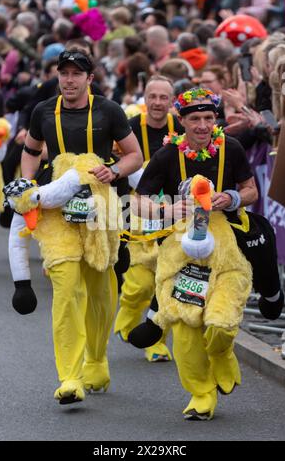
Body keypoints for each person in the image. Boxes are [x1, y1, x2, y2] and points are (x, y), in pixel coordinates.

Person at [129, 87, 284, 418]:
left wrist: (231, 197)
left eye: (208, 118)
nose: (202, 126)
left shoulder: (233, 146)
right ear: (181, 121)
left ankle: (224, 354)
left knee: (221, 324)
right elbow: (138, 201)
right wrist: (168, 211)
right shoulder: (168, 155)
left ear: (216, 119)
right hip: (184, 257)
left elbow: (252, 190)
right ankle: (200, 394)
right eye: (195, 119)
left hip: (228, 255)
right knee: (185, 333)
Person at [20, 48, 143, 404]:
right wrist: (29, 187)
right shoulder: (43, 110)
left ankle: (96, 359)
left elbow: (134, 155)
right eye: (64, 73)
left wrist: (115, 170)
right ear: (58, 76)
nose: (69, 80)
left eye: (77, 74)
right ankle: (69, 377)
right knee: (66, 287)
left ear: (90, 78)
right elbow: (30, 151)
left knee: (101, 291)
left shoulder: (109, 110)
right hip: (58, 207)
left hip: (100, 208)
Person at [114, 75, 183, 361]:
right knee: (139, 283)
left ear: (171, 101)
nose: (157, 103)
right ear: (144, 98)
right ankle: (128, 319)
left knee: (164, 280)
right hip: (136, 209)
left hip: (173, 211)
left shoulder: (181, 129)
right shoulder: (129, 128)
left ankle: (156, 341)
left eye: (163, 97)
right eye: (152, 96)